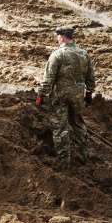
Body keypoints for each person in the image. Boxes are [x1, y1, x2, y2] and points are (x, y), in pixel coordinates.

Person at [37, 26, 96, 165]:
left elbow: (48, 79)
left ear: (62, 37)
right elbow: (90, 78)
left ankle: (64, 162)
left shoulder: (57, 55)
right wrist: (88, 94)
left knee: (60, 127)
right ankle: (84, 156)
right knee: (78, 124)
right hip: (77, 96)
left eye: (58, 36)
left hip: (60, 96)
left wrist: (41, 95)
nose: (57, 39)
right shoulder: (84, 54)